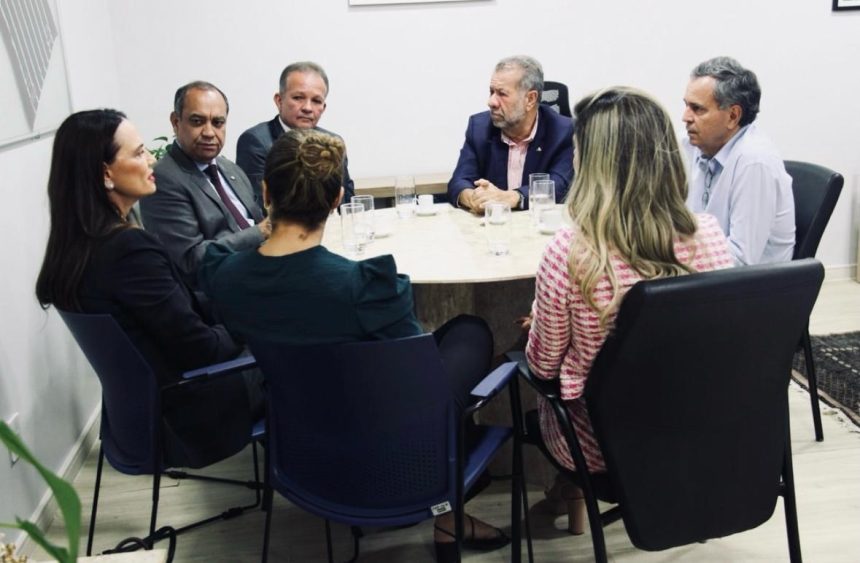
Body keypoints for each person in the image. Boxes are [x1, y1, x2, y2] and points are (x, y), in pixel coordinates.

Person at [200, 128, 509, 563]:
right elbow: (418, 385)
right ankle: (448, 513)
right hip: (392, 465)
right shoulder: (365, 287)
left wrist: (268, 225)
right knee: (469, 332)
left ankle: (449, 510)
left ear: (265, 192)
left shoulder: (225, 276)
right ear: (337, 200)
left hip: (301, 456)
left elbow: (221, 258)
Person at [525, 87, 733, 534]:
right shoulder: (711, 236)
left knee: (530, 376)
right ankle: (564, 497)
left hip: (601, 448)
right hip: (697, 431)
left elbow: (543, 367)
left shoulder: (570, 253)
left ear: (592, 165)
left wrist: (541, 322)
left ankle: (563, 497)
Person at [35, 109, 262, 469]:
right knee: (303, 357)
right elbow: (201, 349)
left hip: (138, 416)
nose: (152, 160)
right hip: (190, 413)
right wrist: (250, 326)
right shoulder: (128, 251)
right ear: (106, 174)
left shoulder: (75, 248)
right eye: (139, 153)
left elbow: (174, 321)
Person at [139, 81, 270, 291]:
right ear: (176, 122)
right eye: (197, 121)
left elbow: (259, 220)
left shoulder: (230, 168)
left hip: (262, 274)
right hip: (221, 293)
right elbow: (191, 260)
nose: (209, 132)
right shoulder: (162, 178)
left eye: (218, 123)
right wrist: (260, 232)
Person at [682, 56, 795, 265]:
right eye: (686, 106)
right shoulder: (690, 145)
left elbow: (741, 259)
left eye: (697, 109)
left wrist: (675, 258)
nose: (685, 117)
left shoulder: (755, 161)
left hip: (749, 281)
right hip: (705, 267)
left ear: (733, 116)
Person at [448, 55, 574, 213]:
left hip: (539, 223)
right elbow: (459, 181)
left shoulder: (563, 131)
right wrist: (475, 198)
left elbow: (560, 185)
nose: (491, 102)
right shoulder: (479, 127)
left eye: (502, 94)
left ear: (530, 99)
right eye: (491, 92)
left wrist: (512, 197)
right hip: (494, 223)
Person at [236, 61, 355, 204]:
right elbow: (258, 205)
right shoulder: (256, 142)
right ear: (279, 100)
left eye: (316, 101)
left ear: (323, 108)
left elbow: (347, 203)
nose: (307, 108)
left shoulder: (332, 142)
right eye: (298, 98)